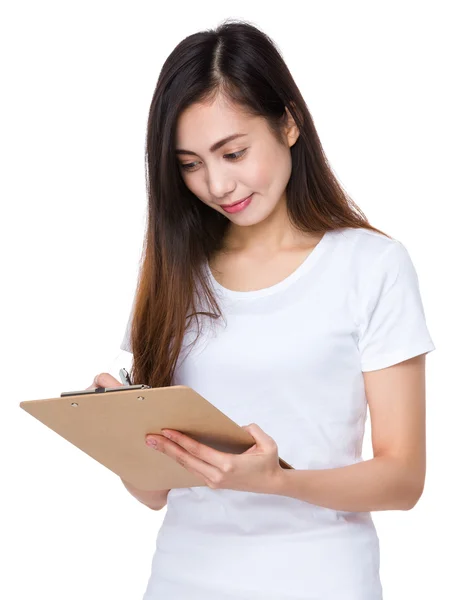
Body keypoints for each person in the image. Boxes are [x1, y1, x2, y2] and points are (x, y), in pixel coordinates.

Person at [94, 19, 436, 600]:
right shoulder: (173, 270)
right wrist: (122, 437)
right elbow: (154, 494)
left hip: (321, 581)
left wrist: (279, 482)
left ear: (289, 123)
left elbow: (403, 480)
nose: (217, 184)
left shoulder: (371, 266)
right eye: (190, 163)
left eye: (233, 152)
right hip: (182, 581)